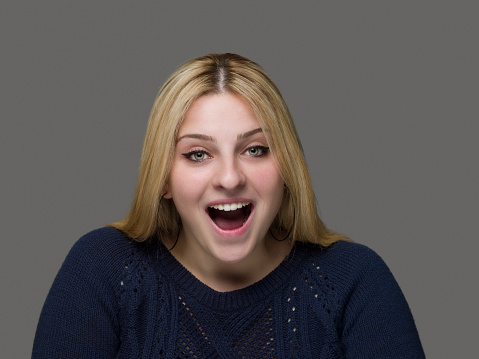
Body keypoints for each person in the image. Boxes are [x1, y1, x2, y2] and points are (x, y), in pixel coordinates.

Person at [32, 53, 425, 358]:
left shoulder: (353, 281)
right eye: (198, 154)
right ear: (163, 178)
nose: (230, 177)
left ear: (286, 167)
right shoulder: (102, 269)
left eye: (255, 149)